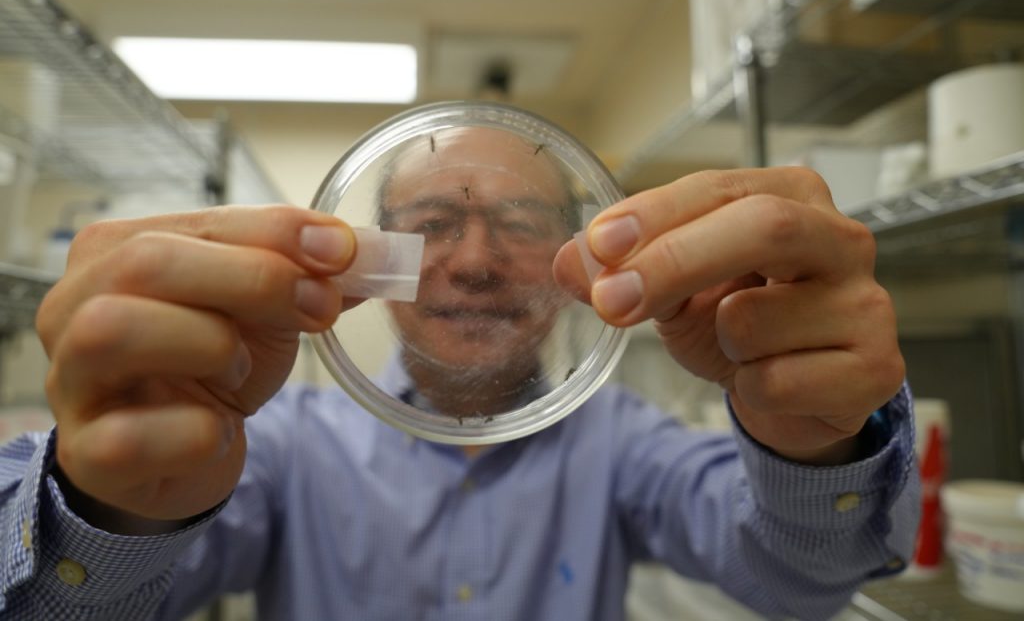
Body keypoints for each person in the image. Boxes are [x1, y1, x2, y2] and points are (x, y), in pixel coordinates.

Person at [0, 123, 918, 621]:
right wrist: (111, 509)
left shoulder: (623, 441)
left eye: (522, 225)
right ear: (372, 258)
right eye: (432, 224)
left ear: (581, 262)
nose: (475, 263)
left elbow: (803, 581)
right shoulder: (278, 449)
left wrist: (815, 441)